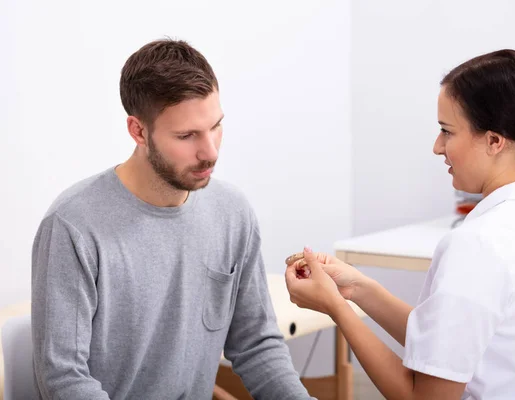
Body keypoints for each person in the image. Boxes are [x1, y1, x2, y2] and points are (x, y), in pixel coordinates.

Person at [285, 49, 515, 400]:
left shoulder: (479, 244)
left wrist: (336, 309)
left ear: (494, 141)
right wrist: (356, 288)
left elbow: (422, 397)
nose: (436, 147)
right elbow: (448, 344)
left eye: (447, 131)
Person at [31, 38, 313, 400]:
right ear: (138, 131)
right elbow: (64, 380)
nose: (210, 152)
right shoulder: (73, 226)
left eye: (216, 126)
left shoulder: (232, 212)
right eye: (186, 136)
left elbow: (257, 345)